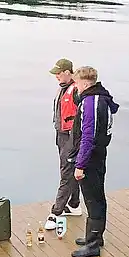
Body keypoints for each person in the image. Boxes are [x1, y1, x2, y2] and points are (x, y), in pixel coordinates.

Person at [70, 67, 119, 257]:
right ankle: (95, 237)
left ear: (83, 83)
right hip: (99, 155)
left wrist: (80, 164)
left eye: (76, 84)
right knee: (97, 195)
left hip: (91, 158)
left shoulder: (91, 102)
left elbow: (88, 136)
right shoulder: (101, 98)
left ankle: (93, 244)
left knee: (93, 199)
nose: (76, 88)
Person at [44, 58, 83, 231]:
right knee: (68, 170)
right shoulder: (63, 88)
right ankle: (74, 204)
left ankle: (56, 212)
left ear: (68, 72)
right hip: (61, 135)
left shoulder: (76, 91)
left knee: (66, 173)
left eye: (59, 73)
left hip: (72, 138)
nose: (57, 77)